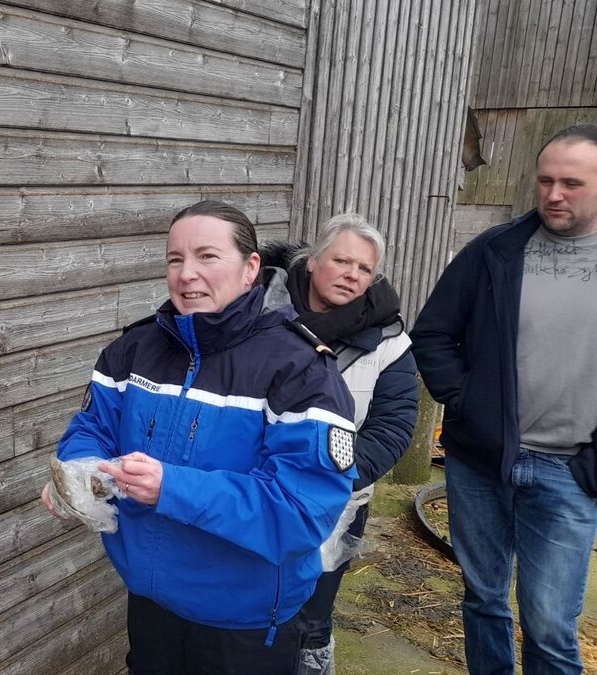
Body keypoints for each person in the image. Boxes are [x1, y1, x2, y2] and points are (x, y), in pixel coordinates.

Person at [42, 200, 358, 674]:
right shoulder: (133, 350)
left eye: (207, 257)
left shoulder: (300, 369)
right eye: (175, 259)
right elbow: (91, 429)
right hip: (150, 601)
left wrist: (171, 488)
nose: (187, 274)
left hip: (244, 623)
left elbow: (301, 511)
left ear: (251, 268)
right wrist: (81, 475)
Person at [410, 123, 597, 674]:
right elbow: (433, 334)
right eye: (545, 181)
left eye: (572, 183)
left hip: (570, 470)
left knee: (549, 625)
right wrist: (468, 403)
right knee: (484, 599)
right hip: (481, 462)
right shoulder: (496, 251)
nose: (553, 194)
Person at [261, 215, 419, 675]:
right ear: (312, 262)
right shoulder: (257, 314)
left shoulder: (389, 344)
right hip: (251, 493)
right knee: (247, 604)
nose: (352, 274)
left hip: (335, 502)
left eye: (364, 269)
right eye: (341, 260)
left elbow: (391, 428)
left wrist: (330, 478)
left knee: (311, 617)